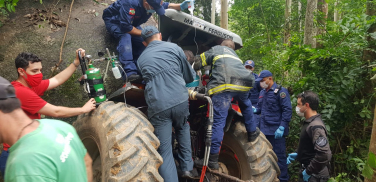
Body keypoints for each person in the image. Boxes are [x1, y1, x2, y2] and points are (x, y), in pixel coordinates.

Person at [0, 49, 96, 177]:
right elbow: (55, 111)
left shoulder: (30, 86)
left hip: (31, 144)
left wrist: (75, 63)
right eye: (34, 71)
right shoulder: (20, 92)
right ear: (21, 71)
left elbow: (56, 80)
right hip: (15, 153)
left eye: (40, 70)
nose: (39, 74)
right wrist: (82, 110)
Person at [137, 26, 197, 181]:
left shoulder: (141, 59)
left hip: (158, 105)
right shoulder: (174, 48)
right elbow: (189, 78)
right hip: (180, 100)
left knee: (165, 150)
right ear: (160, 36)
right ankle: (187, 169)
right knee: (183, 127)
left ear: (144, 43)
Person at [193, 39, 259, 170]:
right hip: (244, 83)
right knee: (245, 104)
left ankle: (212, 160)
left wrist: (191, 62)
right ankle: (252, 131)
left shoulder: (217, 49)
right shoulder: (236, 57)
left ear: (221, 46)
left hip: (224, 86)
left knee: (218, 122)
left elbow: (197, 63)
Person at [102, 0, 192, 79]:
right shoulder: (129, 2)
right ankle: (129, 71)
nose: (155, 10)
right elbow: (126, 28)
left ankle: (141, 68)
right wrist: (146, 34)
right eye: (154, 8)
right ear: (146, 3)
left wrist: (182, 6)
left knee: (144, 43)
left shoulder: (152, 2)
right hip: (115, 21)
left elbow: (168, 5)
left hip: (132, 23)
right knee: (126, 37)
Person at [253, 70, 292, 182]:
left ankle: (283, 179)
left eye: (262, 80)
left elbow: (287, 110)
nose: (261, 83)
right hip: (264, 132)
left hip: (276, 132)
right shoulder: (262, 92)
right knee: (265, 158)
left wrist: (282, 127)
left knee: (279, 158)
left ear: (270, 79)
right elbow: (261, 108)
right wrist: (255, 110)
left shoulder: (280, 91)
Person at [287, 91, 332, 182]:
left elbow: (324, 154)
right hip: (310, 172)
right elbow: (310, 146)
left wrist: (309, 171)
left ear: (306, 105)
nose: (297, 107)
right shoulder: (310, 123)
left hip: (315, 176)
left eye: (299, 104)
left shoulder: (316, 126)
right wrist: (299, 153)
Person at [244, 60, 261, 126]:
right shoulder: (239, 77)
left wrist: (258, 108)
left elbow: (262, 92)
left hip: (254, 105)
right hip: (242, 104)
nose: (248, 69)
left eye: (250, 67)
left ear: (253, 68)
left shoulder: (257, 79)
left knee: (254, 125)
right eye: (246, 67)